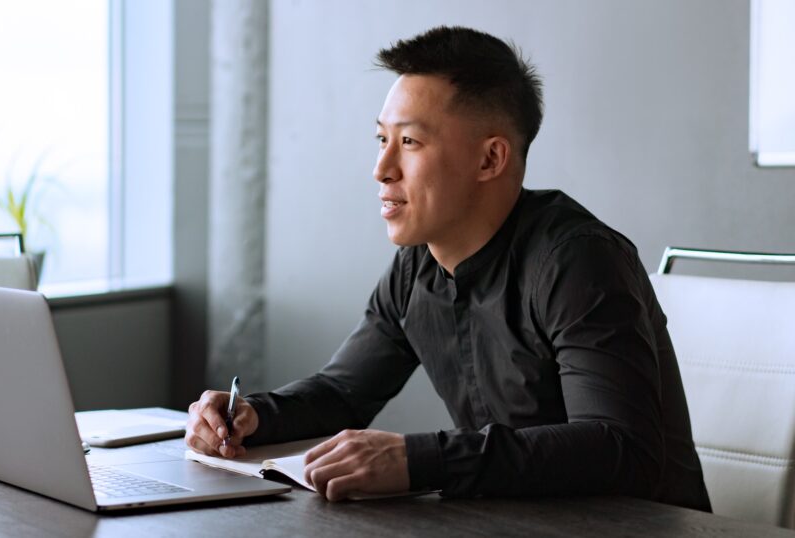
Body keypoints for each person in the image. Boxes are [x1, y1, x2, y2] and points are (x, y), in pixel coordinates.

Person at [186, 25, 711, 511]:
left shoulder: (578, 260)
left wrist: (421, 460)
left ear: (490, 159)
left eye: (409, 142)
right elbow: (343, 393)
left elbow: (622, 450)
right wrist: (252, 415)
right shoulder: (416, 268)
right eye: (381, 139)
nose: (381, 168)